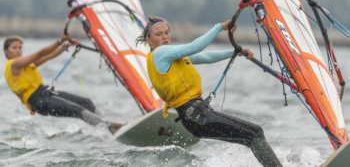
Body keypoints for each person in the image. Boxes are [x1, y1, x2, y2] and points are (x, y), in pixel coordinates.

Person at [136, 17, 282, 167]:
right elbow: (195, 47)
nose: (164, 37)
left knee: (249, 138)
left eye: (166, 32)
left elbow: (205, 57)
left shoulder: (172, 56)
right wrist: (218, 28)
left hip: (195, 116)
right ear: (148, 40)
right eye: (158, 34)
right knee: (255, 133)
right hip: (195, 115)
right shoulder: (160, 53)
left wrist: (235, 52)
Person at [3, 34, 123, 135]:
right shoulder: (13, 64)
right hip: (38, 101)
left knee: (87, 102)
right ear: (6, 51)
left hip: (46, 94)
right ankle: (112, 128)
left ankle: (109, 126)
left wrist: (66, 45)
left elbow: (49, 55)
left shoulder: (25, 64)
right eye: (14, 47)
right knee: (78, 110)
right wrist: (60, 41)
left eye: (20, 47)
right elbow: (40, 53)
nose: (18, 50)